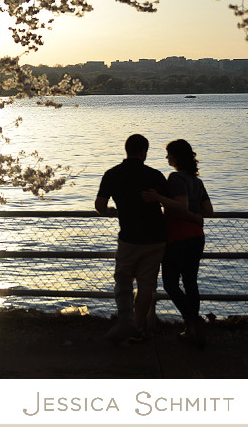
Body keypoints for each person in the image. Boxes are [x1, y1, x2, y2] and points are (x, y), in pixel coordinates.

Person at [94, 133, 169, 344]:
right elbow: (169, 203)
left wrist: (110, 211)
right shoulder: (154, 175)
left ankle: (126, 321)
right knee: (147, 284)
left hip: (129, 237)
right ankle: (137, 327)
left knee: (123, 279)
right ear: (144, 151)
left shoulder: (112, 174)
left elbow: (100, 205)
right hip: (156, 237)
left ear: (126, 150)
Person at [142, 138, 213, 348]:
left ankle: (193, 322)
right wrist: (195, 218)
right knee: (190, 283)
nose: (167, 157)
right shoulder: (196, 181)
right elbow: (208, 211)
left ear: (176, 156)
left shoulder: (175, 178)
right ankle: (192, 328)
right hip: (196, 237)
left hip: (177, 238)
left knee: (171, 284)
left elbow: (181, 206)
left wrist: (158, 198)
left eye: (169, 153)